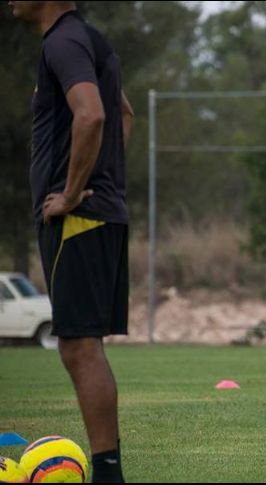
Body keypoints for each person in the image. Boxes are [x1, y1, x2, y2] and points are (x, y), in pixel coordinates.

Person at [11, 1, 133, 482]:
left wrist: (72, 191)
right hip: (97, 213)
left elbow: (94, 116)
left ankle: (107, 473)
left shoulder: (62, 40)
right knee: (82, 344)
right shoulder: (87, 38)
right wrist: (102, 177)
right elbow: (123, 115)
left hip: (79, 217)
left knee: (79, 346)